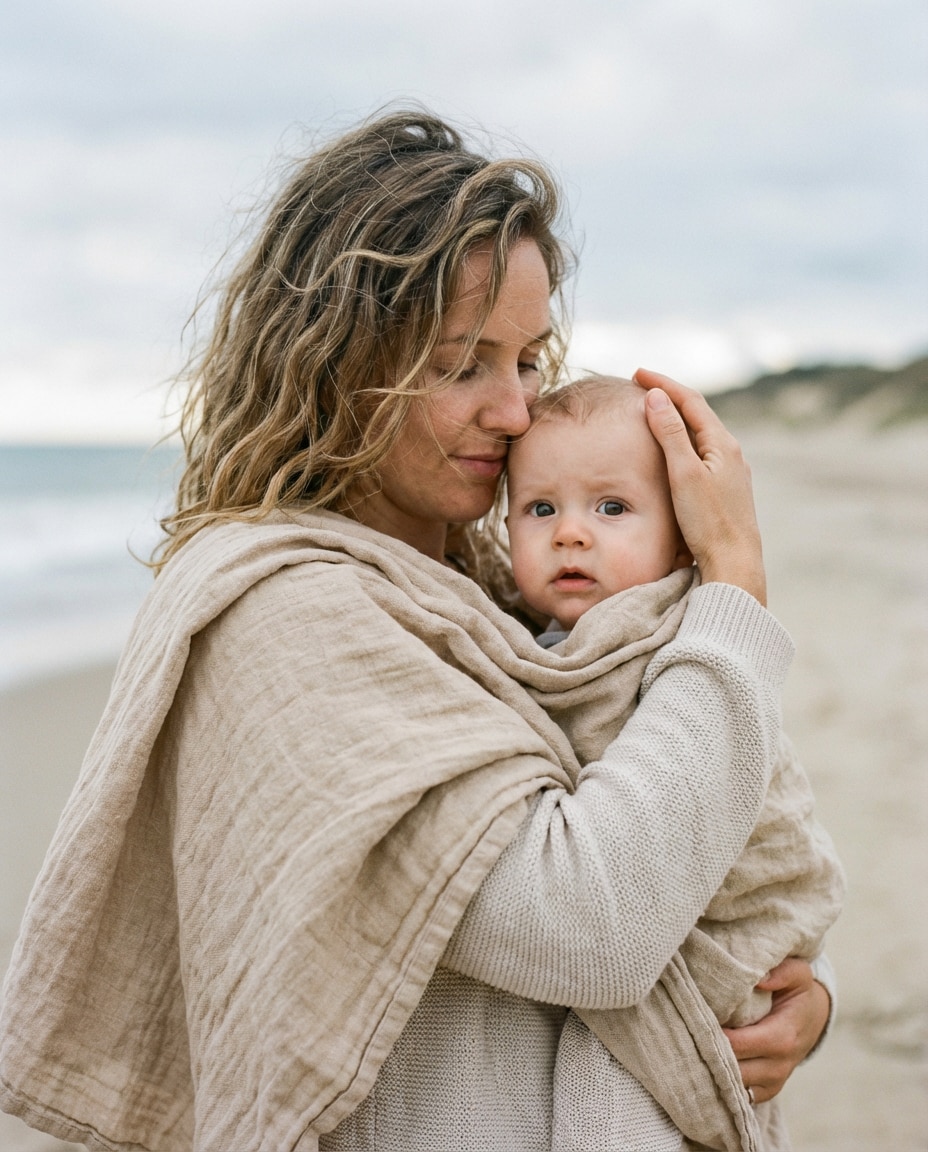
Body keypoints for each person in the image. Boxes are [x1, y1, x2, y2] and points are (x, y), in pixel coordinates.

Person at [0, 110, 832, 1152]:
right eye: (460, 365)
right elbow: (591, 925)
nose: (518, 411)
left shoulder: (492, 590)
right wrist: (735, 591)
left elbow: (695, 826)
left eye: (526, 360)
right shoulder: (285, 614)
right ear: (335, 362)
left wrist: (790, 989)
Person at [504, 373, 844, 1148]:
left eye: (612, 508)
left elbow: (737, 792)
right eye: (540, 509)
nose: (571, 533)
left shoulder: (671, 634)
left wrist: (815, 984)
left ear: (684, 533)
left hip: (721, 936)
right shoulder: (530, 641)